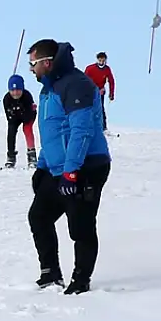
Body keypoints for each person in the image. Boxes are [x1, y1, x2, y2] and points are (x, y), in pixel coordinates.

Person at [26, 39, 112, 294]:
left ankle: (81, 281)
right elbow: (53, 133)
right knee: (39, 216)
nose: (31, 69)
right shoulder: (48, 89)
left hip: (86, 165)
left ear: (47, 62)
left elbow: (81, 131)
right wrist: (42, 167)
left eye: (33, 63)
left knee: (80, 224)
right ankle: (50, 273)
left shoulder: (77, 84)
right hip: (59, 168)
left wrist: (72, 171)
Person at [1, 74, 38, 169]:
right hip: (14, 117)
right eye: (12, 90)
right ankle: (11, 157)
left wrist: (21, 110)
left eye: (18, 90)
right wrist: (14, 113)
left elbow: (28, 116)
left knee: (27, 129)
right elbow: (9, 118)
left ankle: (32, 156)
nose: (15, 93)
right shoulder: (6, 99)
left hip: (28, 115)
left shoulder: (27, 97)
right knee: (11, 132)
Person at [83, 51, 116, 131]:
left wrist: (111, 93)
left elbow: (111, 81)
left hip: (100, 91)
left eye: (103, 60)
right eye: (100, 60)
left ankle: (103, 128)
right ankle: (86, 126)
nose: (101, 62)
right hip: (90, 91)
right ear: (97, 60)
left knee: (100, 108)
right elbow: (84, 80)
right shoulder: (90, 68)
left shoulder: (107, 69)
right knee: (88, 108)